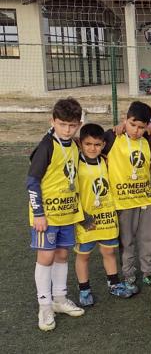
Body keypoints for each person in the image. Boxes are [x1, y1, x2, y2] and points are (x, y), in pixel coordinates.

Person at [28, 98, 86, 331]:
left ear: (79, 124)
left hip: (67, 214)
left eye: (72, 125)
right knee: (46, 257)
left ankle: (60, 299)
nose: (67, 130)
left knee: (62, 255)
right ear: (53, 121)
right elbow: (32, 182)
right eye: (62, 124)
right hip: (47, 216)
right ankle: (45, 306)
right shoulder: (46, 146)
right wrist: (39, 214)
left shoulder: (74, 144)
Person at [74, 123, 136, 307]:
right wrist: (82, 217)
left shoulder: (106, 160)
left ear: (102, 144)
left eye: (97, 144)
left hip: (107, 216)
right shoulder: (76, 164)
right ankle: (84, 289)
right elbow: (72, 193)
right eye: (88, 144)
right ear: (80, 144)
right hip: (86, 219)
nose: (92, 148)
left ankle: (114, 283)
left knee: (109, 251)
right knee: (83, 255)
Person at [104, 101, 151, 287]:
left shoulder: (148, 139)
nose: (136, 130)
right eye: (132, 124)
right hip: (123, 201)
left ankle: (148, 271)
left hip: (146, 199)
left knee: (148, 237)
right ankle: (128, 273)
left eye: (141, 127)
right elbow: (91, 146)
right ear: (125, 120)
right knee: (126, 240)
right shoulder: (112, 137)